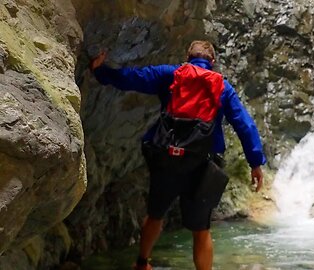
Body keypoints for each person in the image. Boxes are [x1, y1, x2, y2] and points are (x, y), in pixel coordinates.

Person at [89, 40, 267, 270]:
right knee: (201, 229)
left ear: (188, 57)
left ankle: (142, 263)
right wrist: (255, 163)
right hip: (204, 164)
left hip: (167, 159)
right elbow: (245, 125)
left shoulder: (171, 74)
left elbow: (133, 78)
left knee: (155, 214)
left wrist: (100, 71)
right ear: (212, 62)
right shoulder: (222, 87)